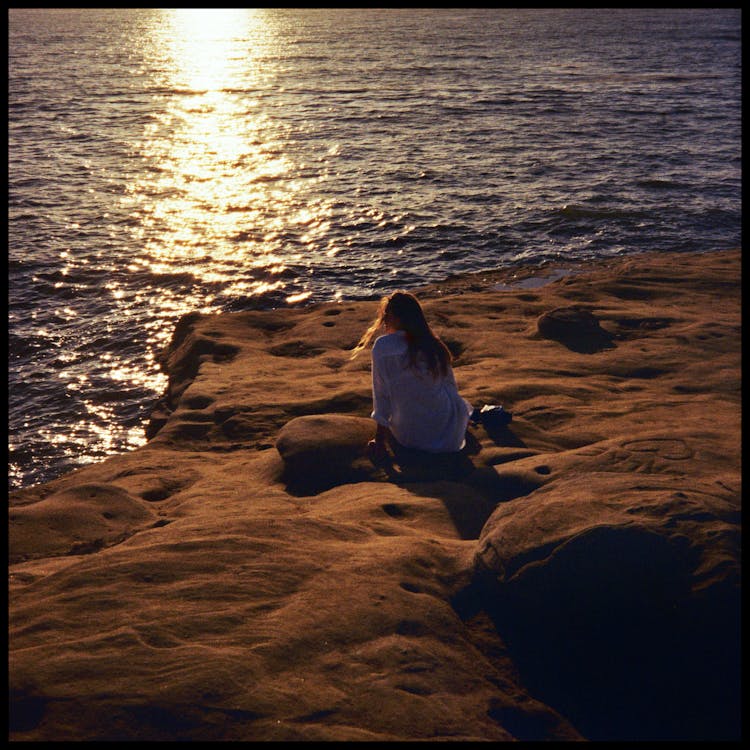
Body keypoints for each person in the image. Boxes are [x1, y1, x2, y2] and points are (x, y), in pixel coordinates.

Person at [351, 291, 474, 465]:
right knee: (458, 404)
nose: (384, 320)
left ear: (397, 317)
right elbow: (450, 387)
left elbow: (382, 395)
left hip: (410, 437)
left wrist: (379, 440)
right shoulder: (433, 344)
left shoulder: (383, 346)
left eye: (387, 315)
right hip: (449, 436)